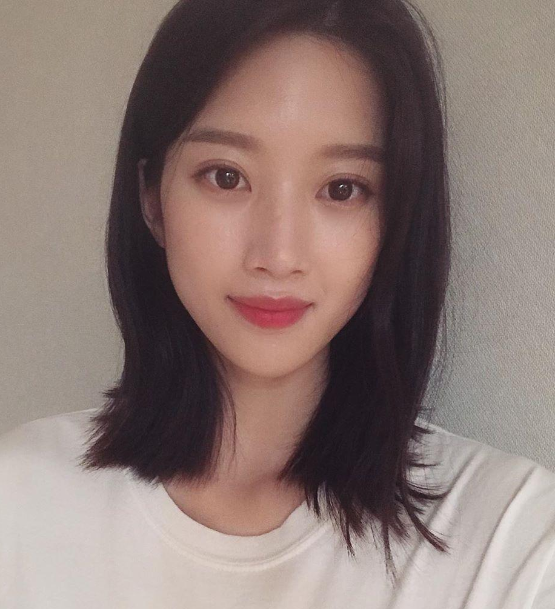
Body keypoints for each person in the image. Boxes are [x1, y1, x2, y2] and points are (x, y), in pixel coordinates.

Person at [1, 0, 554, 606]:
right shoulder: (21, 497)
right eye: (226, 176)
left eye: (342, 188)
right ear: (152, 199)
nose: (279, 254)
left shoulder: (515, 543)